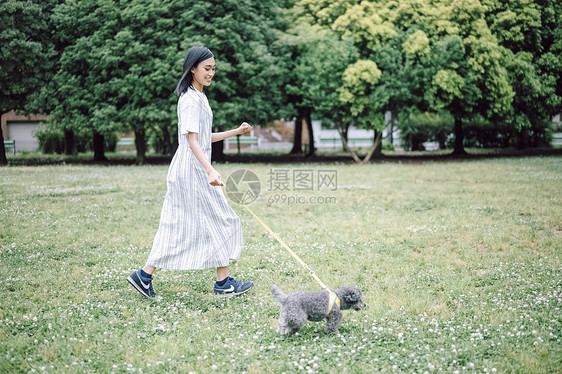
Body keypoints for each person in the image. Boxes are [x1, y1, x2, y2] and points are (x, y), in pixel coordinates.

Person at [127, 46, 254, 298]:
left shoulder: (198, 97)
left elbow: (204, 137)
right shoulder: (189, 100)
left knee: (183, 225)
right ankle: (223, 284)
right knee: (222, 220)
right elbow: (192, 142)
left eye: (213, 69)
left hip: (193, 168)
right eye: (207, 68)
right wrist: (210, 169)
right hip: (191, 170)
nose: (211, 73)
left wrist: (235, 132)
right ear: (193, 68)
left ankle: (145, 275)